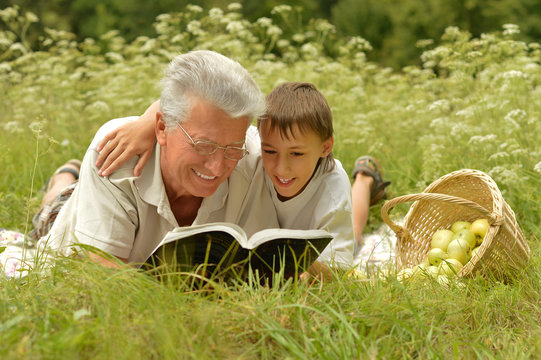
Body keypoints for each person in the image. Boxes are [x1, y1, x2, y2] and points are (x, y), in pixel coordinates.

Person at [96, 82, 391, 279]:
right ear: (259, 139)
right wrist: (147, 123)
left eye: (297, 154)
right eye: (270, 150)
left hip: (315, 229)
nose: (281, 167)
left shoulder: (329, 181)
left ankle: (364, 179)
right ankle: (65, 177)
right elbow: (199, 100)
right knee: (63, 202)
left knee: (352, 236)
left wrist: (304, 269)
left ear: (325, 148)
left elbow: (335, 273)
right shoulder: (250, 150)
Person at [34, 50, 266, 268]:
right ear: (162, 127)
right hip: (69, 214)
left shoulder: (254, 155)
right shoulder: (116, 151)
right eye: (203, 146)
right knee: (51, 209)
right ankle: (63, 177)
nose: (217, 167)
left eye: (233, 148)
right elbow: (105, 272)